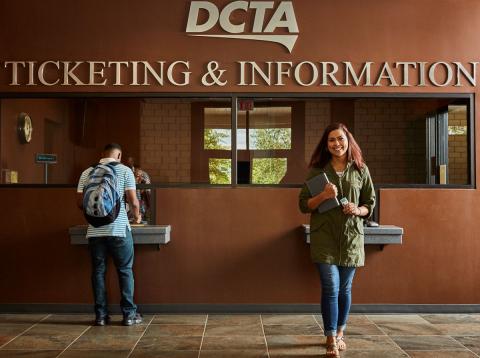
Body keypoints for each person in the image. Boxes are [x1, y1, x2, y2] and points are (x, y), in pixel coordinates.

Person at [298, 123, 375, 357]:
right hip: (324, 237)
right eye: (331, 140)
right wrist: (323, 195)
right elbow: (303, 205)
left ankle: (341, 332)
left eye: (340, 139)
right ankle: (330, 337)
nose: (337, 144)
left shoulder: (361, 169)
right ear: (326, 144)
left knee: (344, 289)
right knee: (330, 288)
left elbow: (369, 204)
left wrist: (357, 210)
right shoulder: (317, 171)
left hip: (351, 238)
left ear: (348, 140)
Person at [77, 143, 143, 326]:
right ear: (119, 155)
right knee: (125, 271)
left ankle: (101, 316)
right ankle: (129, 315)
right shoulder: (124, 171)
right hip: (119, 230)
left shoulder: (87, 172)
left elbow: (80, 203)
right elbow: (134, 201)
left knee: (98, 272)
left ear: (101, 154)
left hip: (94, 231)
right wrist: (136, 217)